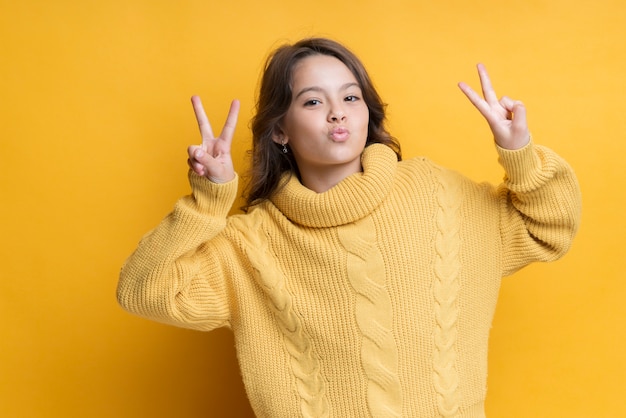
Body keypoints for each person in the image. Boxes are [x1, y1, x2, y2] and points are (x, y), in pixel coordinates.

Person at [117, 38, 581, 417]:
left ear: (367, 113)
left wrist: (519, 151)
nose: (337, 112)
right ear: (279, 130)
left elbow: (549, 228)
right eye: (314, 101)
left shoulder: (438, 193)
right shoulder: (250, 244)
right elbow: (144, 291)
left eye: (351, 97)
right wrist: (208, 200)